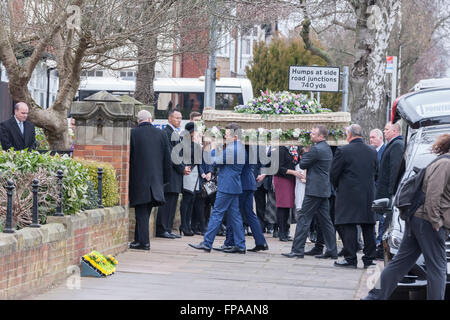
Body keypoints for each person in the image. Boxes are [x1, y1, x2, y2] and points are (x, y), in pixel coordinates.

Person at [364, 133, 450, 300]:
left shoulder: (442, 162)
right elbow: (433, 194)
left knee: (400, 262)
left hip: (418, 219)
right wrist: (436, 221)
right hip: (428, 221)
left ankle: (374, 296)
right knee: (438, 267)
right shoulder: (446, 164)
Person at [189, 123, 246, 253]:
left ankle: (207, 243)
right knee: (235, 215)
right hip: (234, 184)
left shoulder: (232, 149)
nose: (225, 135)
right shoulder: (240, 147)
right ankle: (240, 245)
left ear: (235, 136)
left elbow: (214, 161)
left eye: (227, 134)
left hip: (227, 185)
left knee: (217, 213)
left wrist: (212, 149)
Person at [282, 125, 337, 259]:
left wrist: (306, 153)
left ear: (321, 136)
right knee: (326, 221)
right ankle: (331, 250)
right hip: (323, 188)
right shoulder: (327, 148)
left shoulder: (316, 149)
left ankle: (297, 250)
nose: (310, 135)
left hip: (314, 190)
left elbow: (303, 164)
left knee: (304, 219)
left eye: (313, 134)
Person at [331, 124, 378, 269]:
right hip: (368, 193)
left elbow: (334, 174)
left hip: (348, 193)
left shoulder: (343, 150)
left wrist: (339, 187)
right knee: (368, 226)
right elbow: (376, 171)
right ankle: (369, 259)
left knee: (349, 225)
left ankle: (350, 258)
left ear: (349, 135)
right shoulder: (372, 150)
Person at [128, 110, 171, 250]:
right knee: (144, 212)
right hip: (156, 181)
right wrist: (165, 179)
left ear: (138, 121)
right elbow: (167, 159)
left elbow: (129, 158)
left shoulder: (133, 134)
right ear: (150, 119)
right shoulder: (161, 134)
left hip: (139, 180)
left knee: (141, 212)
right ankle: (138, 240)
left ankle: (144, 242)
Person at [216, 144, 269, 252]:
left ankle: (230, 242)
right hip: (249, 182)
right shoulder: (251, 148)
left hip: (242, 184)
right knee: (249, 213)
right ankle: (261, 242)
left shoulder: (240, 149)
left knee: (234, 212)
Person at [156, 109, 191, 239]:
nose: (179, 120)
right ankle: (162, 228)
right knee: (167, 202)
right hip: (170, 173)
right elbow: (172, 154)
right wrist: (182, 168)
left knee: (173, 201)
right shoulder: (167, 132)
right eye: (177, 118)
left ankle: (168, 228)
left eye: (181, 118)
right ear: (170, 118)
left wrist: (183, 167)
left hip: (176, 174)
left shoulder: (175, 132)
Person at [179, 122, 211, 236]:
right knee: (187, 200)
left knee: (192, 200)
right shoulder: (185, 143)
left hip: (196, 174)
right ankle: (184, 225)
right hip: (189, 173)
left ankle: (188, 225)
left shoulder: (194, 144)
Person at [376, 122, 404, 239]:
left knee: (388, 220)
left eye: (387, 129)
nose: (384, 131)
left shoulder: (397, 145)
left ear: (395, 131)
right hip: (387, 190)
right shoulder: (393, 144)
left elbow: (395, 169)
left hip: (390, 192)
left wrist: (392, 191)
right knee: (385, 219)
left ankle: (383, 248)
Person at [370, 128, 386, 259]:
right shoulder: (371, 151)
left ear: (381, 138)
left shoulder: (384, 150)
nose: (371, 140)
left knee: (381, 217)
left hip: (380, 188)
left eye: (373, 137)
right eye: (370, 137)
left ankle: (380, 241)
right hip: (372, 188)